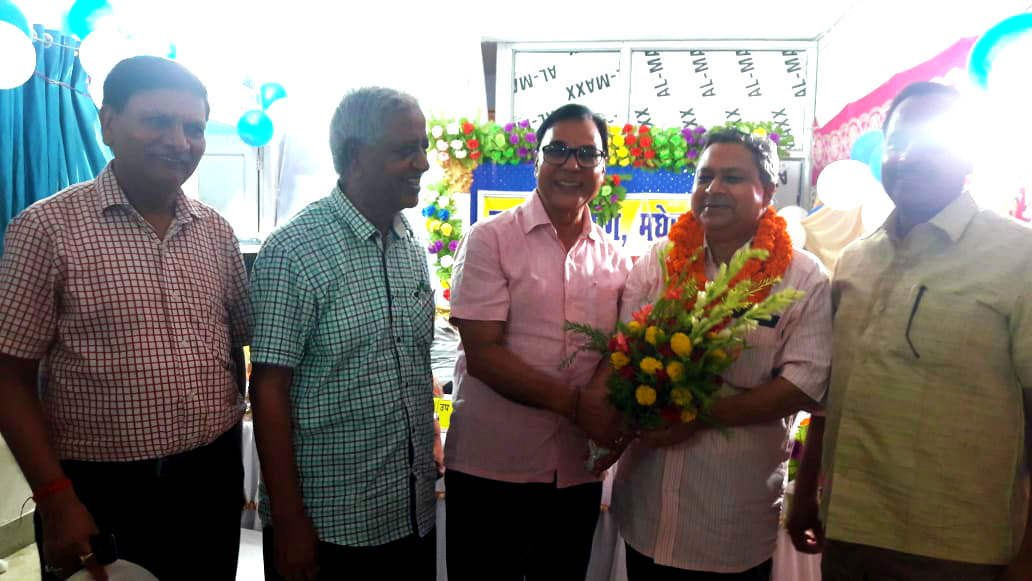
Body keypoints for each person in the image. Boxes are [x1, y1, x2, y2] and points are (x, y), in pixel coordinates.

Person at [0, 55, 251, 581]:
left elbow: (236, 345)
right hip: (101, 493)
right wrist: (54, 498)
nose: (179, 141)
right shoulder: (47, 229)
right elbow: (9, 377)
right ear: (107, 123)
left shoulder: (217, 232)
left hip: (210, 481)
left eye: (194, 127)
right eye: (157, 121)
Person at [788, 81, 1032, 581]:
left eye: (932, 143)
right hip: (849, 532)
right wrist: (808, 489)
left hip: (958, 548)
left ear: (970, 157)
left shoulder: (1019, 258)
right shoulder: (857, 259)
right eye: (898, 143)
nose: (909, 157)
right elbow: (832, 396)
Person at [611, 128, 832, 580]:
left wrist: (699, 416)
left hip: (731, 521)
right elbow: (623, 348)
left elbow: (802, 384)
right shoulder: (660, 258)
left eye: (731, 177)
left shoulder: (803, 277)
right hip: (646, 511)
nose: (712, 189)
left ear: (767, 191)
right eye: (704, 176)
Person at [249, 86, 437, 581]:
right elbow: (268, 391)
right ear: (355, 155)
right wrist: (290, 523)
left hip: (409, 512)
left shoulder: (409, 243)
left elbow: (411, 363)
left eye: (423, 146)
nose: (423, 163)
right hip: (329, 525)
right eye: (405, 150)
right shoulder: (294, 251)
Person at [444, 103, 632, 581]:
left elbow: (619, 353)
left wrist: (612, 425)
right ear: (537, 161)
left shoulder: (616, 258)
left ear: (603, 169)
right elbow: (484, 355)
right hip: (493, 469)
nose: (572, 164)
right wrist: (577, 405)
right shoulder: (490, 239)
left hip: (576, 474)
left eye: (587, 154)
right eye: (558, 151)